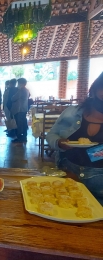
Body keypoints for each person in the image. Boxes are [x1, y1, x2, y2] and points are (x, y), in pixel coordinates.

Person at [46, 72, 103, 204]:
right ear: (94, 91)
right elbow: (51, 134)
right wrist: (59, 143)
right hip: (68, 175)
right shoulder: (72, 113)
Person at [11, 78, 29, 143]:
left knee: (19, 124)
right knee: (23, 123)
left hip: (19, 109)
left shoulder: (21, 90)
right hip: (24, 108)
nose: (18, 84)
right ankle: (24, 136)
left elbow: (13, 98)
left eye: (19, 83)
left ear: (22, 83)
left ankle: (19, 137)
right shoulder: (27, 90)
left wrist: (13, 97)